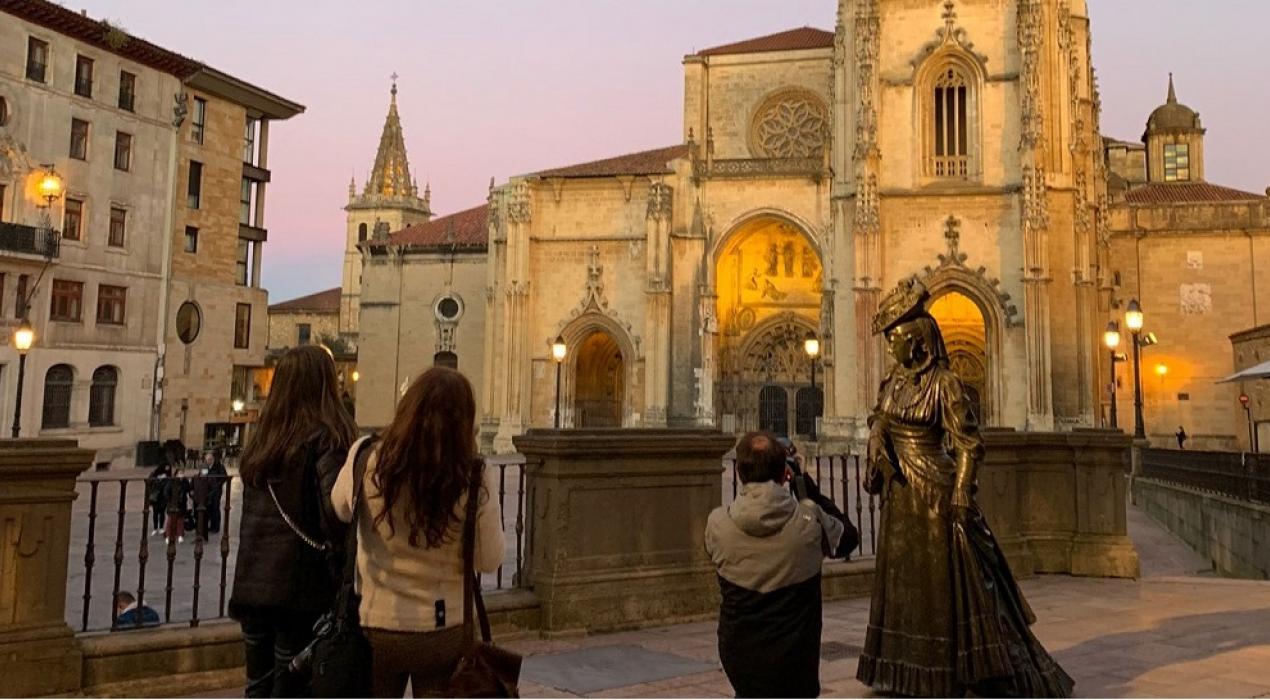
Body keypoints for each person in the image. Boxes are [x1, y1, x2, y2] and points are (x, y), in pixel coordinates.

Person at [857, 278, 1073, 698]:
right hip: (901, 494)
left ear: (917, 341)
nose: (889, 348)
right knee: (906, 582)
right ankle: (907, 670)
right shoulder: (894, 383)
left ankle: (956, 667)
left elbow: (969, 443)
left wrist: (960, 492)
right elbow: (879, 418)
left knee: (949, 585)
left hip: (936, 492)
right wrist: (877, 437)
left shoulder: (946, 385)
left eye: (895, 339)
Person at [332, 366, 504, 699]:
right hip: (443, 631)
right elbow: (489, 559)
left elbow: (340, 508)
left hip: (375, 624)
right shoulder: (475, 474)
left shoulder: (365, 456)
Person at [229, 345, 358, 698]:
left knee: (258, 687)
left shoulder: (261, 442)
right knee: (293, 687)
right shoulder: (326, 438)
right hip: (298, 588)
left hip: (253, 587)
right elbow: (336, 511)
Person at [705, 431, 844, 698]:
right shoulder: (809, 523)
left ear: (740, 474)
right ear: (784, 474)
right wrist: (807, 491)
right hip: (796, 660)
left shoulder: (717, 523)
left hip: (739, 657)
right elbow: (846, 537)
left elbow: (711, 552)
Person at [146, 462, 170, 536]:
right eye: (166, 467)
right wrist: (157, 479)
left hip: (163, 496)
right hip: (156, 497)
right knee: (155, 513)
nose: (167, 468)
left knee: (162, 512)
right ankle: (155, 528)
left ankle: (161, 527)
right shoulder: (154, 474)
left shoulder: (168, 475)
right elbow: (149, 483)